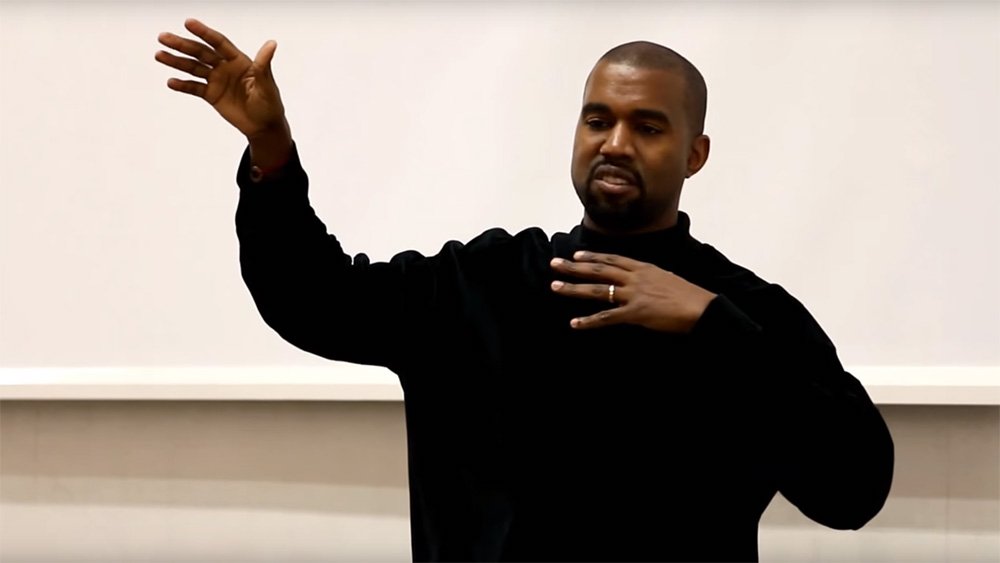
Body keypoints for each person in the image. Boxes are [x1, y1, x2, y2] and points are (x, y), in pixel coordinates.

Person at [156, 18, 894, 562]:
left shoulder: (744, 313)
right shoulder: (485, 283)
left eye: (648, 127)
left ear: (694, 154)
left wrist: (710, 325)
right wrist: (271, 153)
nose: (615, 143)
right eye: (598, 120)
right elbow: (313, 299)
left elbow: (853, 489)